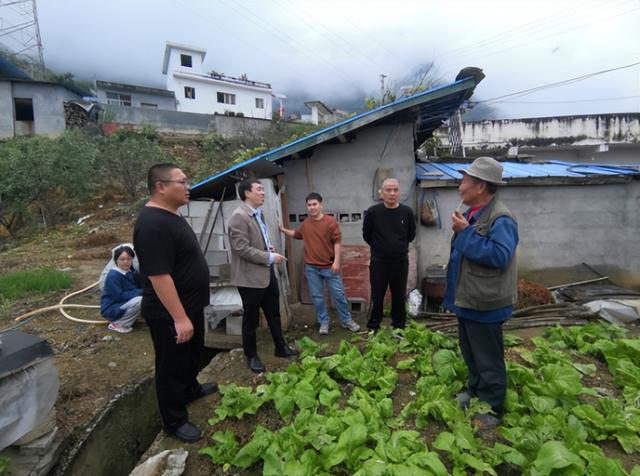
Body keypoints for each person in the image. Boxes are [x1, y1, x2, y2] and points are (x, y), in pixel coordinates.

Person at [133, 163, 217, 444]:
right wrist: (180, 318)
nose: (188, 186)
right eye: (182, 182)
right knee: (170, 365)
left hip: (189, 306)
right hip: (170, 313)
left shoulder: (171, 215)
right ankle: (174, 420)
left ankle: (190, 389)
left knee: (192, 355)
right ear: (161, 186)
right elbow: (159, 276)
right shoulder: (151, 224)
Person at [443, 156, 519, 430]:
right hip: (469, 299)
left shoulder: (502, 218)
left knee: (489, 359)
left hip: (486, 302)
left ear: (480, 186)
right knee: (471, 353)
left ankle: (492, 407)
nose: (460, 186)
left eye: (465, 181)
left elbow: (499, 256)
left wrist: (465, 233)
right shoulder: (474, 213)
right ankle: (474, 392)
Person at [228, 178, 299, 374]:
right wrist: (269, 256)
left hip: (267, 273)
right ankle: (251, 355)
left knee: (273, 314)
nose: (263, 193)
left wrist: (267, 248)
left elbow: (255, 242)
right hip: (250, 278)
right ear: (246, 193)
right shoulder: (239, 216)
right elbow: (241, 248)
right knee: (251, 319)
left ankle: (280, 347)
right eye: (259, 189)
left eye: (262, 189)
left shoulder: (258, 214)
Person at [279, 192, 360, 335]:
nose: (312, 207)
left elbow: (337, 242)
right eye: (309, 205)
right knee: (317, 297)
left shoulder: (330, 222)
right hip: (311, 268)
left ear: (321, 205)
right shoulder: (306, 224)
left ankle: (346, 320)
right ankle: (324, 322)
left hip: (329, 267)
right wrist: (283, 230)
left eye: (314, 204)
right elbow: (298, 234)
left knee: (339, 295)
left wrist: (336, 262)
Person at [362, 178, 416, 331]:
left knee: (399, 296)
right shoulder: (373, 212)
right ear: (381, 192)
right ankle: (373, 327)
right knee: (377, 295)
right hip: (379, 262)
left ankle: (399, 326)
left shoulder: (407, 212)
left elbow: (411, 234)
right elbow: (367, 234)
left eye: (395, 190)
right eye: (388, 190)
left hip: (400, 262)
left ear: (399, 192)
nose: (392, 193)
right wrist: (380, 247)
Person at [100, 245, 142, 333]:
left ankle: (131, 316)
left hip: (123, 303)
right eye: (122, 259)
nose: (126, 262)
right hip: (112, 307)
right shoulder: (113, 275)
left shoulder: (131, 272)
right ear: (116, 260)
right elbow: (119, 296)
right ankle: (119, 324)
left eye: (129, 259)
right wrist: (141, 292)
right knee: (140, 300)